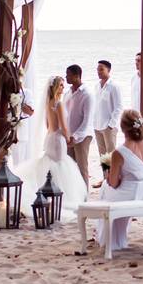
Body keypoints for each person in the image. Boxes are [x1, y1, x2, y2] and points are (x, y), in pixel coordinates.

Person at [14, 76, 87, 213]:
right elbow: (64, 127)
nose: (63, 88)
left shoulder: (48, 103)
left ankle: (51, 198)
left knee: (51, 167)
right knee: (61, 168)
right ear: (54, 87)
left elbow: (48, 125)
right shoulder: (58, 104)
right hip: (58, 139)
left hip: (49, 138)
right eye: (60, 85)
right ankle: (61, 200)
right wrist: (68, 138)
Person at [97, 110, 143, 251]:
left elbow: (114, 183)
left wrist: (108, 176)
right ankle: (116, 237)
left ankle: (111, 239)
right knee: (110, 189)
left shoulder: (120, 152)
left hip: (133, 195)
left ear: (123, 129)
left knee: (105, 188)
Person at [65, 64, 94, 189]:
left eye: (69, 75)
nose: (66, 77)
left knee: (82, 168)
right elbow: (65, 116)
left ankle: (84, 197)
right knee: (69, 168)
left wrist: (75, 136)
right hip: (69, 136)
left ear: (77, 76)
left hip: (83, 136)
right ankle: (73, 194)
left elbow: (87, 121)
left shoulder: (87, 94)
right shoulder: (68, 93)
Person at [93, 59, 123, 158]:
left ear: (108, 70)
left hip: (108, 127)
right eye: (97, 69)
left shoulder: (114, 86)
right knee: (103, 156)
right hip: (97, 126)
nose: (98, 72)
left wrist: (111, 125)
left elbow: (119, 107)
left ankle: (113, 174)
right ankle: (105, 174)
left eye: (101, 69)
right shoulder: (97, 86)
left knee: (111, 155)